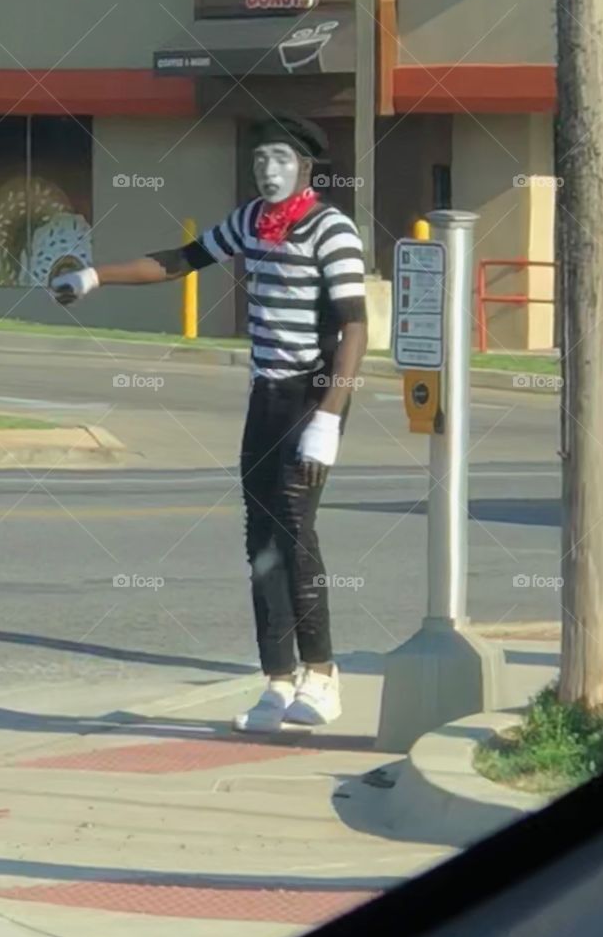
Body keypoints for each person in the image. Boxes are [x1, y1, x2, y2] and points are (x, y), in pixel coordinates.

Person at [50, 116, 368, 732]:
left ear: (305, 168)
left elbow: (355, 326)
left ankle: (322, 676)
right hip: (268, 396)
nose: (267, 171)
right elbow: (180, 260)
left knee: (297, 531)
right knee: (262, 541)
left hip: (315, 394)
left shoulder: (333, 230)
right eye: (259, 161)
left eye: (279, 160)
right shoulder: (250, 222)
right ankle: (276, 682)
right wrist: (95, 276)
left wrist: (329, 419)